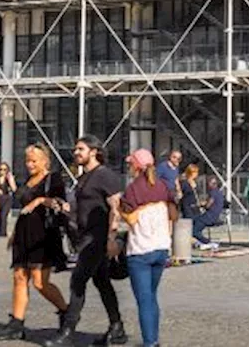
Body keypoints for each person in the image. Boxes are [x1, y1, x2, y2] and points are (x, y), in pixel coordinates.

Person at [45, 136, 128, 347]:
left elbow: (115, 208)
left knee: (78, 281)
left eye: (80, 149)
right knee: (101, 282)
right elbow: (83, 207)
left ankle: (68, 331)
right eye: (75, 149)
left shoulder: (105, 176)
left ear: (94, 151)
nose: (76, 153)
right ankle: (117, 327)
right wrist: (64, 208)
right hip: (85, 236)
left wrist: (112, 237)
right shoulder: (84, 177)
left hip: (97, 238)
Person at [0, 144, 69, 341]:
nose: (30, 164)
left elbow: (59, 203)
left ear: (45, 160)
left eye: (34, 160)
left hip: (43, 235)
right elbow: (21, 204)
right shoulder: (28, 180)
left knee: (39, 282)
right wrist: (13, 234)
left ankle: (66, 312)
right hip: (23, 233)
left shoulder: (53, 179)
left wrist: (39, 201)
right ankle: (17, 323)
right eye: (27, 160)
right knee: (19, 276)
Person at [121, 149, 178, 347]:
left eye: (130, 164)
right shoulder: (163, 185)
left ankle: (149, 342)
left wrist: (120, 211)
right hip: (161, 247)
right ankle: (153, 339)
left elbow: (131, 218)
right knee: (152, 297)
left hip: (140, 250)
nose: (129, 168)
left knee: (144, 300)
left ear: (135, 166)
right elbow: (173, 214)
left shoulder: (133, 189)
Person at [192, 176, 225, 250]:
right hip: (213, 216)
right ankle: (202, 241)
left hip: (209, 216)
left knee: (193, 231)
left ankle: (208, 242)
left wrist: (199, 205)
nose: (207, 185)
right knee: (194, 220)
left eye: (208, 183)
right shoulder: (219, 192)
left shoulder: (213, 192)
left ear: (213, 184)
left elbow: (208, 205)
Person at [0, 162, 17, 238]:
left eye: (5, 170)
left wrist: (10, 180)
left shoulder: (8, 178)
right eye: (1, 169)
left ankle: (3, 232)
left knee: (3, 215)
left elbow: (14, 189)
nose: (2, 171)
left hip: (7, 199)